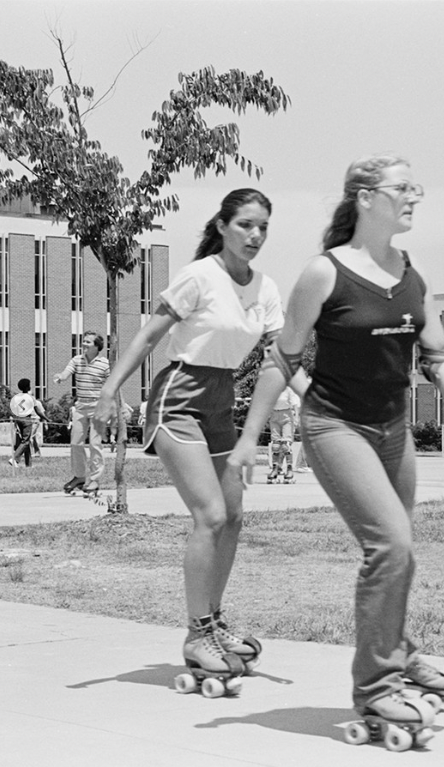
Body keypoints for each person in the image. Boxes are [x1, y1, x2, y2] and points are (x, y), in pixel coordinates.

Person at [228, 154, 444, 730]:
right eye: (404, 188)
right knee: (390, 546)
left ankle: (395, 652)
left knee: (400, 552)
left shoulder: (409, 271)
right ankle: (375, 688)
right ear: (366, 198)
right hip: (335, 426)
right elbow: (284, 357)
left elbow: (439, 355)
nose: (414, 197)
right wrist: (250, 437)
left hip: (393, 430)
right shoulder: (325, 272)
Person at [92, 188, 293, 690]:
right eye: (246, 224)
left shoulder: (265, 288)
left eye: (263, 226)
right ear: (223, 225)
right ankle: (197, 632)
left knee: (235, 518)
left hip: (221, 401)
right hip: (179, 396)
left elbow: (281, 358)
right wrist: (109, 392)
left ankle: (214, 621)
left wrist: (325, 402)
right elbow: (147, 336)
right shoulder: (200, 275)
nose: (256, 235)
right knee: (211, 515)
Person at [53, 331, 110, 496]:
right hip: (80, 407)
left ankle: (94, 480)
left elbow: (112, 384)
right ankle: (79, 476)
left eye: (88, 342)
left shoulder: (104, 364)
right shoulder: (77, 360)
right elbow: (67, 372)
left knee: (95, 444)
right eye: (83, 341)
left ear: (97, 346)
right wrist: (60, 377)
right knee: (76, 443)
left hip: (99, 407)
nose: (84, 344)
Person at [8, 378, 48, 468]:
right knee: (25, 441)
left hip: (18, 419)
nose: (30, 386)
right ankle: (14, 459)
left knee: (25, 441)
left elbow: (12, 409)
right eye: (29, 385)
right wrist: (46, 418)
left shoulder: (17, 397)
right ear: (27, 387)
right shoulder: (31, 398)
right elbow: (38, 411)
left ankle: (28, 464)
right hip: (27, 420)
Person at [267, 386, 301, 483]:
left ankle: (289, 470)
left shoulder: (288, 388)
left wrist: (296, 417)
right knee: (276, 445)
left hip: (286, 415)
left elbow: (294, 403)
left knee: (286, 445)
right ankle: (275, 469)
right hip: (274, 415)